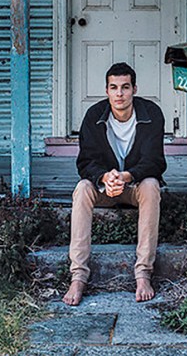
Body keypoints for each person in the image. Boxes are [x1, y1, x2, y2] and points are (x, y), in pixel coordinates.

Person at [63, 62, 166, 306]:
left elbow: (155, 162)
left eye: (125, 87)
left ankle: (143, 273)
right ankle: (78, 277)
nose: (119, 94)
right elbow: (85, 163)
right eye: (114, 87)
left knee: (151, 185)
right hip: (104, 188)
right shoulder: (94, 116)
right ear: (107, 90)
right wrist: (104, 178)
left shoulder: (151, 114)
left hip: (134, 187)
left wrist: (127, 176)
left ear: (134, 89)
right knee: (82, 189)